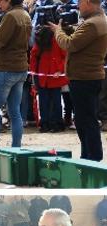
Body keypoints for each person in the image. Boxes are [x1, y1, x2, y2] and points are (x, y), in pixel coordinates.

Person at [48, 0, 107, 161]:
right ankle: (88, 156)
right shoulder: (98, 20)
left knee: (87, 120)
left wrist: (58, 31)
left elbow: (70, 43)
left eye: (80, 2)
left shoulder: (93, 23)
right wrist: (68, 29)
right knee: (84, 119)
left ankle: (93, 158)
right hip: (86, 76)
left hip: (84, 78)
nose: (78, 6)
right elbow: (81, 37)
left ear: (88, 2)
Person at [0, 0, 30, 148]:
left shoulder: (11, 16)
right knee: (15, 112)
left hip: (6, 69)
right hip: (21, 68)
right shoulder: (25, 14)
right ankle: (16, 148)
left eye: (1, 0)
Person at [29, 25, 67, 133]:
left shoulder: (41, 39)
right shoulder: (45, 39)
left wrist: (60, 70)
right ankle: (53, 123)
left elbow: (33, 56)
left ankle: (50, 123)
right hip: (46, 75)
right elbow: (34, 56)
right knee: (51, 101)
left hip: (48, 75)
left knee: (49, 101)